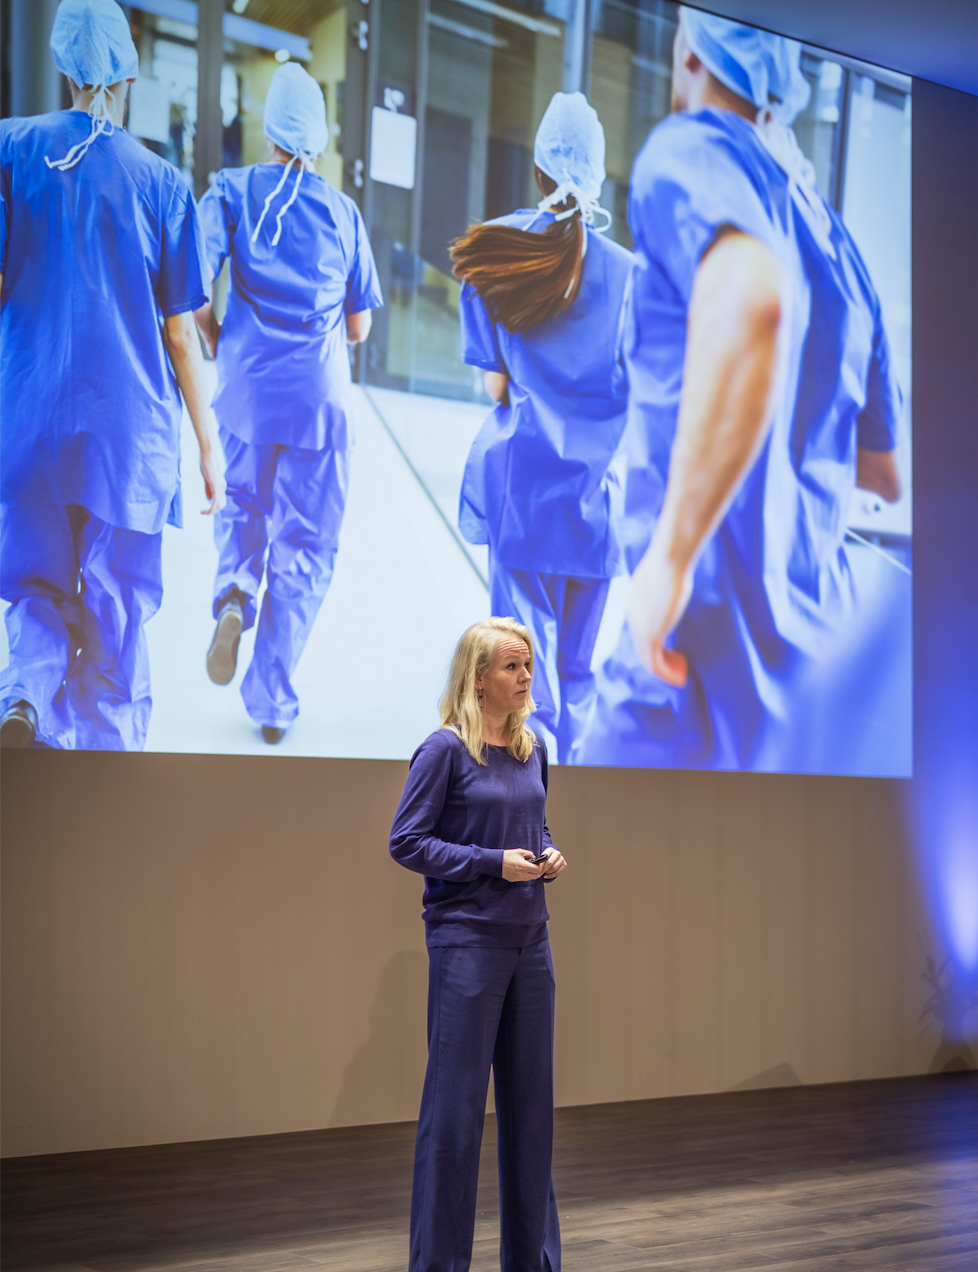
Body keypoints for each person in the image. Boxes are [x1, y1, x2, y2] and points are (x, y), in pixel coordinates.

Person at [578, 8, 904, 772]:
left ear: (689, 55)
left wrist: (672, 557)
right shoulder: (840, 244)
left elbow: (754, 301)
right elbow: (885, 473)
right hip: (803, 698)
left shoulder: (689, 150)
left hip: (686, 664)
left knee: (571, 884)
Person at [0, 0, 224, 751]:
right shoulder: (161, 182)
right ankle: (107, 765)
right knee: (118, 610)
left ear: (64, 65)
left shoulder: (10, 149)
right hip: (125, 438)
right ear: (127, 71)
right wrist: (210, 444)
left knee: (34, 583)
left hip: (27, 416)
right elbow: (180, 334)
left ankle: (24, 694)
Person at [195, 62, 382, 744]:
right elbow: (359, 326)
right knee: (304, 546)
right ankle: (271, 700)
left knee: (242, 506)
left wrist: (219, 335)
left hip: (245, 390)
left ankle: (234, 597)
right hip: (318, 403)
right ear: (320, 138)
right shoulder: (343, 213)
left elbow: (189, 286)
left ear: (268, 130)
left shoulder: (232, 191)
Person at [449, 92, 633, 764]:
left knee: (522, 678)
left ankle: (529, 787)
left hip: (524, 495)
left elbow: (496, 384)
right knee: (577, 673)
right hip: (596, 504)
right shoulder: (629, 278)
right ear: (600, 176)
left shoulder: (498, 251)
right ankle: (569, 775)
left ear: (536, 170)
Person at [389, 617, 568, 1272]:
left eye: (529, 666)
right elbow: (407, 841)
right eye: (513, 667)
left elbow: (534, 821)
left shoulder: (533, 747)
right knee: (455, 1121)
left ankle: (535, 1263)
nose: (526, 678)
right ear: (478, 676)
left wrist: (546, 852)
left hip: (532, 944)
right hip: (467, 946)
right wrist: (493, 862)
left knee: (531, 1117)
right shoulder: (443, 750)